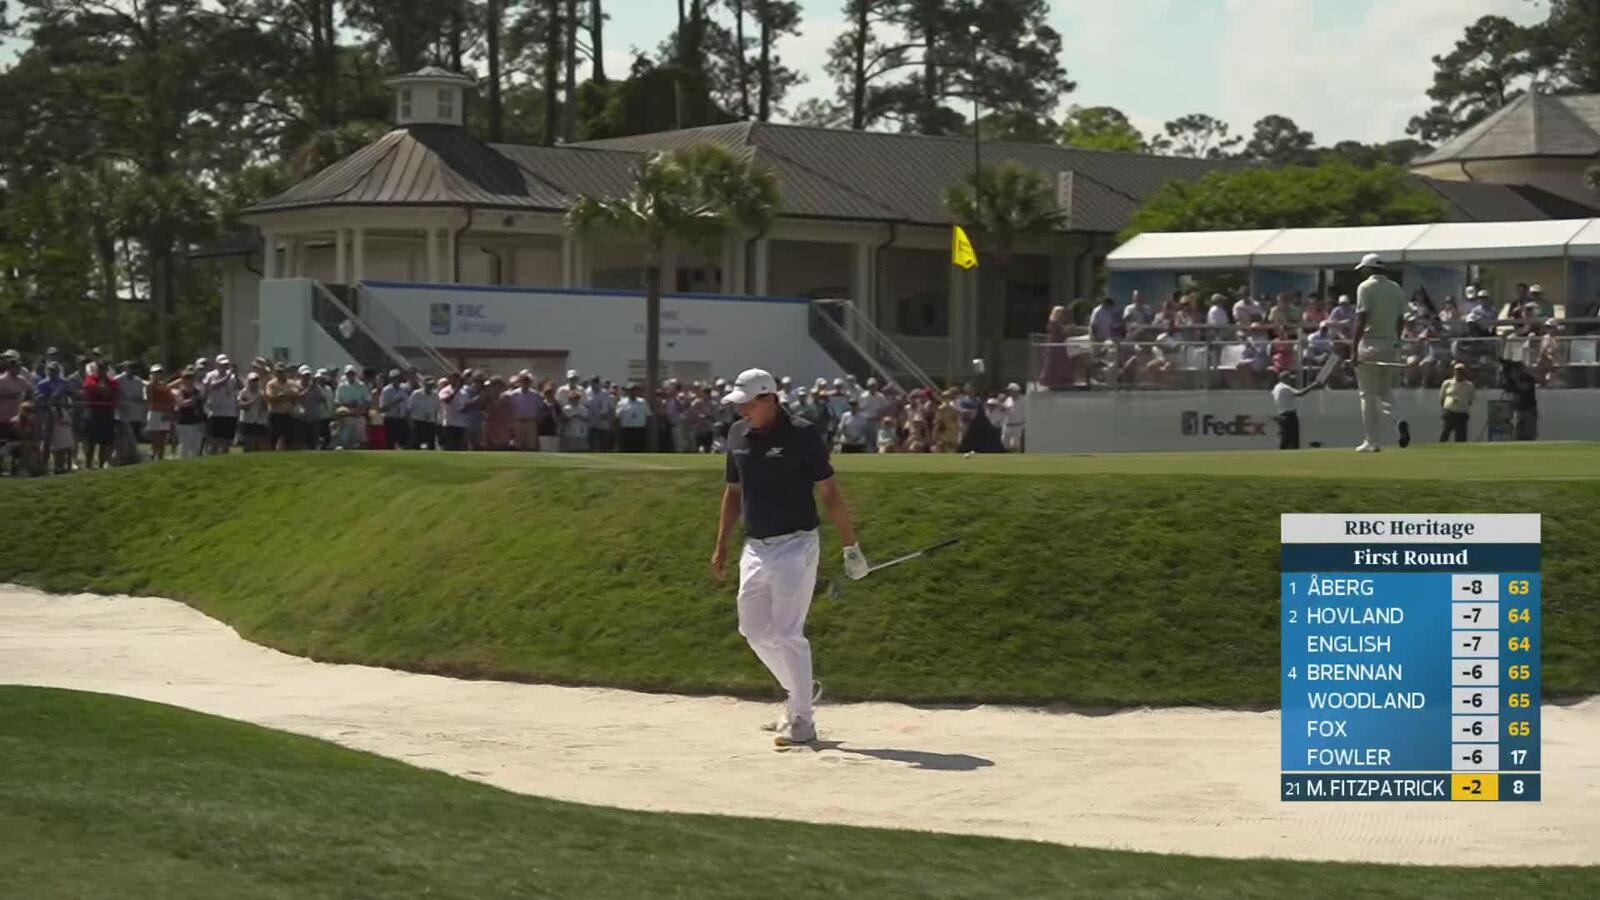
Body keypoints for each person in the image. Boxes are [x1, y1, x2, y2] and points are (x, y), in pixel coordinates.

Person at [711, 368, 865, 747]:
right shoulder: (736, 435)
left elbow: (829, 492)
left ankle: (802, 720)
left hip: (797, 544)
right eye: (739, 405)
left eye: (748, 404)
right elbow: (733, 492)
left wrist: (851, 547)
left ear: (770, 399)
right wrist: (722, 544)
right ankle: (801, 690)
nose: (742, 411)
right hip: (756, 546)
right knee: (753, 629)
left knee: (787, 633)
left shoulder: (802, 434)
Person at [1350, 253, 1410, 452]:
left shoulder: (1365, 287)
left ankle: (1372, 441)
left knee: (1367, 395)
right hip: (1389, 345)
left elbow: (1362, 317)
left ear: (1369, 269)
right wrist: (1397, 341)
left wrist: (1353, 349)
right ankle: (1398, 420)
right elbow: (1401, 319)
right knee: (1384, 392)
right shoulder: (1395, 288)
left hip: (1369, 344)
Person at [201, 355, 241, 455]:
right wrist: (227, 377)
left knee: (227, 441)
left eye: (226, 365)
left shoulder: (232, 376)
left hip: (230, 412)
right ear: (217, 364)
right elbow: (213, 386)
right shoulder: (211, 375)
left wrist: (236, 375)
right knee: (214, 441)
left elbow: (238, 388)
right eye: (222, 365)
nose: (225, 367)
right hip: (216, 412)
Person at [1271, 370, 1321, 450]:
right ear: (1284, 378)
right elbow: (1300, 393)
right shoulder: (1285, 387)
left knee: (1285, 437)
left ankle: (1281, 454)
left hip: (1281, 414)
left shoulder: (1276, 387)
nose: (1291, 380)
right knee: (1293, 438)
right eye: (1289, 378)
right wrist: (1313, 385)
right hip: (1289, 415)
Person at [82, 361, 119, 468]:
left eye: (103, 369)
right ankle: (88, 465)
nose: (101, 371)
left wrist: (102, 390)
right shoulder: (90, 379)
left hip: (107, 413)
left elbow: (114, 392)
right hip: (93, 413)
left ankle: (101, 465)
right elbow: (91, 388)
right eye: (99, 369)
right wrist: (104, 390)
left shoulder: (112, 382)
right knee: (91, 441)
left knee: (105, 442)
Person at [1501, 358, 1539, 441]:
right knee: (1517, 434)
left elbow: (1524, 388)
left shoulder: (1528, 378)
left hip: (1529, 410)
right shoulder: (1512, 381)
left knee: (1529, 434)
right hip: (1517, 409)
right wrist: (1507, 378)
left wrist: (1514, 379)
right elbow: (1508, 390)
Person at [172, 369, 206, 459]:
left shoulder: (197, 391)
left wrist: (202, 422)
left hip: (197, 422)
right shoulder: (180, 391)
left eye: (191, 378)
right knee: (185, 445)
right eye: (186, 378)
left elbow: (201, 407)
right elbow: (182, 404)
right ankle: (183, 462)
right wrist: (193, 399)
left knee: (196, 446)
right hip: (184, 422)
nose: (189, 380)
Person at [143, 364, 174, 461]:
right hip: (155, 413)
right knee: (155, 439)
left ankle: (160, 458)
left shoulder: (164, 386)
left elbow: (170, 399)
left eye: (159, 372)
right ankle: (153, 457)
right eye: (155, 373)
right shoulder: (150, 385)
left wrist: (168, 410)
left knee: (163, 438)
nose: (158, 375)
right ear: (151, 374)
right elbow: (150, 403)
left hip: (164, 413)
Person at [1438, 362, 1474, 442]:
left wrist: (1462, 406)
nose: (1459, 373)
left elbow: (1470, 400)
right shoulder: (1447, 383)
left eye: (1461, 371)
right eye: (1457, 370)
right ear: (1454, 371)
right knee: (1445, 433)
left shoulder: (1469, 385)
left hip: (1462, 414)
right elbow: (1442, 398)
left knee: (1461, 436)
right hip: (1450, 413)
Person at [1039, 305, 1073, 390]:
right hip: (1055, 348)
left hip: (1059, 348)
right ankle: (1053, 383)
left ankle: (1059, 382)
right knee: (1054, 366)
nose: (1063, 315)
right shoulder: (1054, 323)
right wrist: (1065, 332)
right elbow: (1056, 335)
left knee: (1060, 366)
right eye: (1061, 313)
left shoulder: (1057, 322)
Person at [237, 372, 270, 452]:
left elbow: (265, 408)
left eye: (256, 381)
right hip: (247, 421)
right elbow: (241, 405)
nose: (254, 383)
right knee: (248, 445)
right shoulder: (243, 392)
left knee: (260, 444)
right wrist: (252, 401)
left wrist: (264, 399)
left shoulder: (261, 393)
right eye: (252, 381)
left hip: (259, 421)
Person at [379, 370, 412, 450]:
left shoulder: (404, 389)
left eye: (398, 378)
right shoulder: (386, 391)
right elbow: (383, 409)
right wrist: (395, 403)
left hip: (401, 419)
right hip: (391, 419)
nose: (397, 380)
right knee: (390, 443)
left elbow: (407, 407)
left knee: (404, 443)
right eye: (395, 378)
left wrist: (409, 420)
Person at [616, 384, 651, 452]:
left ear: (637, 391)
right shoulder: (622, 402)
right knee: (627, 450)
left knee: (640, 450)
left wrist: (648, 430)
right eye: (630, 390)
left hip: (640, 430)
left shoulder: (642, 402)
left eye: (633, 390)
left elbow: (648, 416)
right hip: (627, 430)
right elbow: (617, 417)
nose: (632, 392)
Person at [408, 377, 438, 450]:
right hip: (418, 422)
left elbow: (436, 409)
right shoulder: (416, 394)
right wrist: (410, 422)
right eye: (428, 385)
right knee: (416, 444)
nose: (430, 387)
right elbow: (409, 409)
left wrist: (435, 422)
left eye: (431, 385)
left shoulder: (435, 395)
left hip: (430, 422)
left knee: (431, 444)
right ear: (424, 384)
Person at [1000, 382, 1025, 452]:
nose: (1010, 392)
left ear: (1016, 391)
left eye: (1011, 390)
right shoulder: (1008, 399)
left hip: (1017, 425)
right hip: (1007, 425)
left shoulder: (1023, 400)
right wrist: (1001, 402)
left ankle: (1017, 459)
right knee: (1005, 444)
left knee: (1014, 445)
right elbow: (1003, 409)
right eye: (1009, 391)